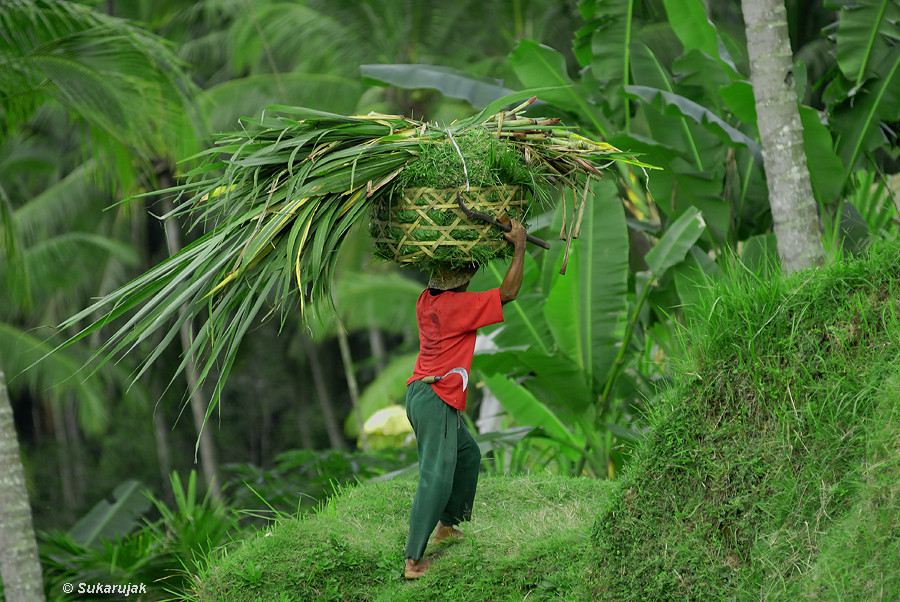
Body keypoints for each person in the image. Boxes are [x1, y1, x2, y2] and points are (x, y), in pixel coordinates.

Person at [403, 218, 528, 580]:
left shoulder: (426, 300)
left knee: (467, 454)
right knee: (436, 477)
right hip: (435, 396)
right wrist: (519, 247)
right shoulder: (455, 308)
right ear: (460, 281)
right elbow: (508, 293)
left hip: (422, 391)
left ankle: (446, 526)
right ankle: (413, 560)